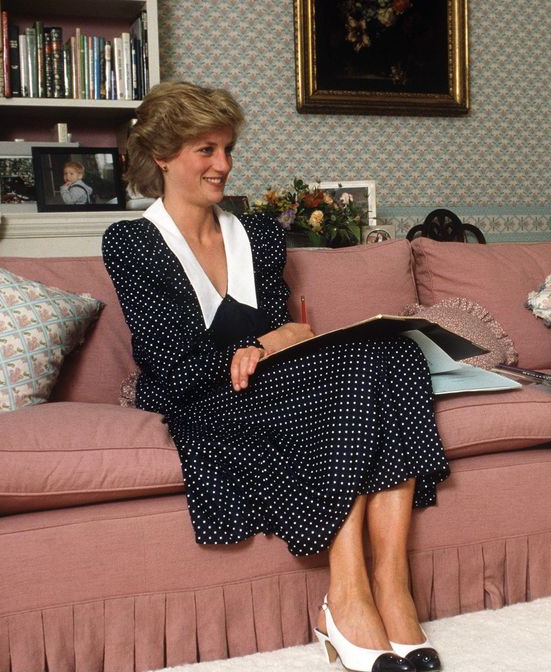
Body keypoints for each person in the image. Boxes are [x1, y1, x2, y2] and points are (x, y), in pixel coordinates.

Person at [102, 81, 447, 672]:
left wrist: (277, 338)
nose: (224, 165)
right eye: (205, 150)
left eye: (228, 148)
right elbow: (169, 362)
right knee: (357, 377)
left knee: (396, 352)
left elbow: (283, 329)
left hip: (270, 378)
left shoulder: (256, 234)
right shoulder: (132, 242)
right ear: (162, 157)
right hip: (200, 392)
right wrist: (266, 342)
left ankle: (393, 586)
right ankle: (347, 595)